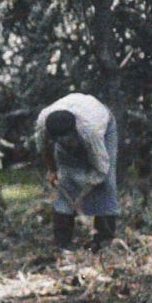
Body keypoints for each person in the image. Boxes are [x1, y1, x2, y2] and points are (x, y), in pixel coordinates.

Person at [35, 93, 119, 254]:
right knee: (66, 180)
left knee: (106, 184)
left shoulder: (91, 131)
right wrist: (52, 170)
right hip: (76, 116)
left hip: (102, 123)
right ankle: (62, 241)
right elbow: (44, 148)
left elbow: (101, 170)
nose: (65, 143)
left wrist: (81, 196)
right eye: (60, 140)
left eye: (67, 139)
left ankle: (103, 240)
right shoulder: (43, 123)